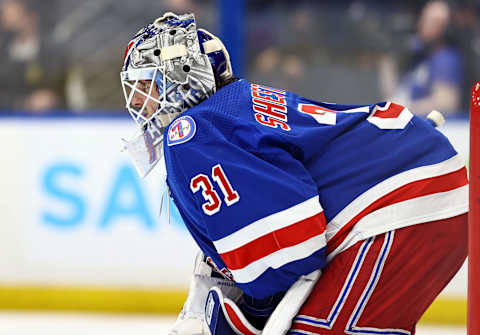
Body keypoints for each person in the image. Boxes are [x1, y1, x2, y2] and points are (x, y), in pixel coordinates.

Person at [120, 13, 468, 335]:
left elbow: (291, 254)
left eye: (146, 86)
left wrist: (249, 313)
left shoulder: (192, 132)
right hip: (419, 190)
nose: (137, 104)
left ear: (182, 79)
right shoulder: (232, 112)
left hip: (401, 201)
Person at [379, 0, 464, 116]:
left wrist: (404, 108)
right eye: (427, 19)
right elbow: (392, 94)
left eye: (437, 22)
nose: (428, 25)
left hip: (424, 125)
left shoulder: (445, 58)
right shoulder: (417, 55)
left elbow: (446, 103)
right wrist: (389, 60)